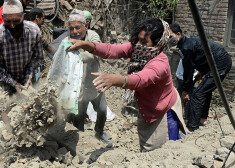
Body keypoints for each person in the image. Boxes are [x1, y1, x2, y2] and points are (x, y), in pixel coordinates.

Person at [67, 18, 188, 152]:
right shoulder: (138, 49)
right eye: (137, 39)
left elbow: (139, 79)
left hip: (163, 111)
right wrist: (86, 45)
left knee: (160, 151)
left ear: (158, 43)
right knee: (147, 146)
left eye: (143, 41)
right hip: (148, 107)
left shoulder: (160, 64)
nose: (137, 44)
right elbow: (111, 50)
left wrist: (114, 80)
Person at [55, 9, 111, 143]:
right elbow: (61, 59)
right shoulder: (68, 41)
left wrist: (75, 55)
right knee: (79, 116)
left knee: (102, 110)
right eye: (71, 28)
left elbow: (94, 53)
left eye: (78, 27)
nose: (75, 31)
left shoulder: (92, 36)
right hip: (78, 87)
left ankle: (99, 132)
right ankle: (79, 140)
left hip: (95, 83)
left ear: (86, 26)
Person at [169, 23, 232, 131]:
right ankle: (202, 119)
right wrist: (202, 72)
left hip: (220, 64)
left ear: (178, 34)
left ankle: (192, 126)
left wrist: (185, 90)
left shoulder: (186, 47)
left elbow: (188, 71)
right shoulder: (185, 43)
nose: (169, 39)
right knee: (205, 92)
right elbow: (202, 57)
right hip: (216, 64)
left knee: (197, 94)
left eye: (170, 36)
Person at [0, 0, 43, 132]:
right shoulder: (0, 36)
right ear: (3, 19)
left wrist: (28, 78)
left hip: (26, 74)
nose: (12, 26)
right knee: (2, 106)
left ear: (23, 17)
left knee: (34, 105)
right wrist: (14, 83)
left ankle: (32, 133)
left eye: (16, 21)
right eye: (8, 22)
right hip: (5, 78)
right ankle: (9, 135)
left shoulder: (34, 31)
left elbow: (37, 58)